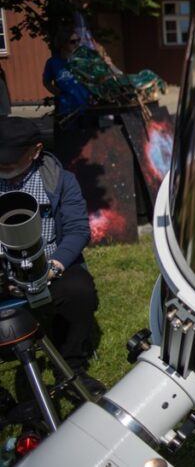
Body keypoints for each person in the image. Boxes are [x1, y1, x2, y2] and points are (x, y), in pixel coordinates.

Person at [0, 117, 104, 394]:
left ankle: (70, 369)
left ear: (36, 151)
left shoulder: (60, 180)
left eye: (10, 161)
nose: (4, 167)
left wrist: (53, 268)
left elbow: (77, 230)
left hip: (48, 265)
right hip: (3, 273)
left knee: (79, 291)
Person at [42, 28, 91, 130]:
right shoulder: (53, 62)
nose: (77, 44)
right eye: (72, 41)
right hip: (67, 109)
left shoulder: (84, 60)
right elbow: (46, 82)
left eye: (78, 40)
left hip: (87, 108)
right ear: (62, 43)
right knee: (71, 137)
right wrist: (58, 92)